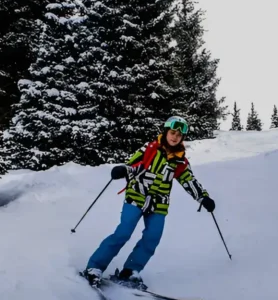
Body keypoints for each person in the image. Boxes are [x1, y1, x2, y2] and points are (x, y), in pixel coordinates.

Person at [82, 116, 215, 288]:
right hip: (137, 196)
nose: (175, 137)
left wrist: (203, 197)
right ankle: (95, 267)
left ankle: (130, 271)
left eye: (179, 135)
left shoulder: (180, 161)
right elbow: (134, 165)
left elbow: (189, 180)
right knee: (123, 233)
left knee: (152, 238)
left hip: (159, 204)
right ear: (166, 132)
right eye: (172, 133)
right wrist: (123, 170)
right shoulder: (150, 148)